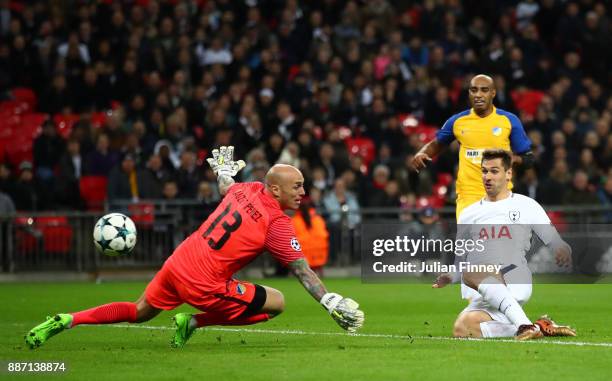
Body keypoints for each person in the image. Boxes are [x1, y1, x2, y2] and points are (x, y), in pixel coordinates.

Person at [25, 146, 364, 349]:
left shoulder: (245, 189)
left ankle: (70, 319)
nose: (303, 192)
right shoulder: (277, 223)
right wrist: (329, 301)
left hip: (178, 261)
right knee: (277, 303)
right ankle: (195, 323)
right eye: (297, 186)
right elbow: (302, 271)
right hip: (204, 282)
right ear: (274, 190)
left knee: (139, 310)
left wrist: (221, 170)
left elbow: (225, 185)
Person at [432, 149, 576, 340]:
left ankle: (524, 325)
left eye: (494, 171)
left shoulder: (526, 205)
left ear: (508, 173)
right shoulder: (468, 214)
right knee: (463, 329)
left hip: (513, 276)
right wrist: (451, 277)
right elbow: (461, 262)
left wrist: (561, 249)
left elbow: (555, 240)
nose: (487, 177)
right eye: (484, 171)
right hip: (482, 289)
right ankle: (536, 326)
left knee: (473, 272)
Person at [410, 74, 534, 219]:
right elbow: (437, 143)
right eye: (473, 90)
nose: (478, 95)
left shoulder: (509, 120)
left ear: (493, 93)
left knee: (498, 241)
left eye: (484, 90)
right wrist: (422, 153)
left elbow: (529, 159)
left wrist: (513, 159)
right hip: (468, 197)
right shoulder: (457, 121)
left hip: (501, 197)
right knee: (472, 242)